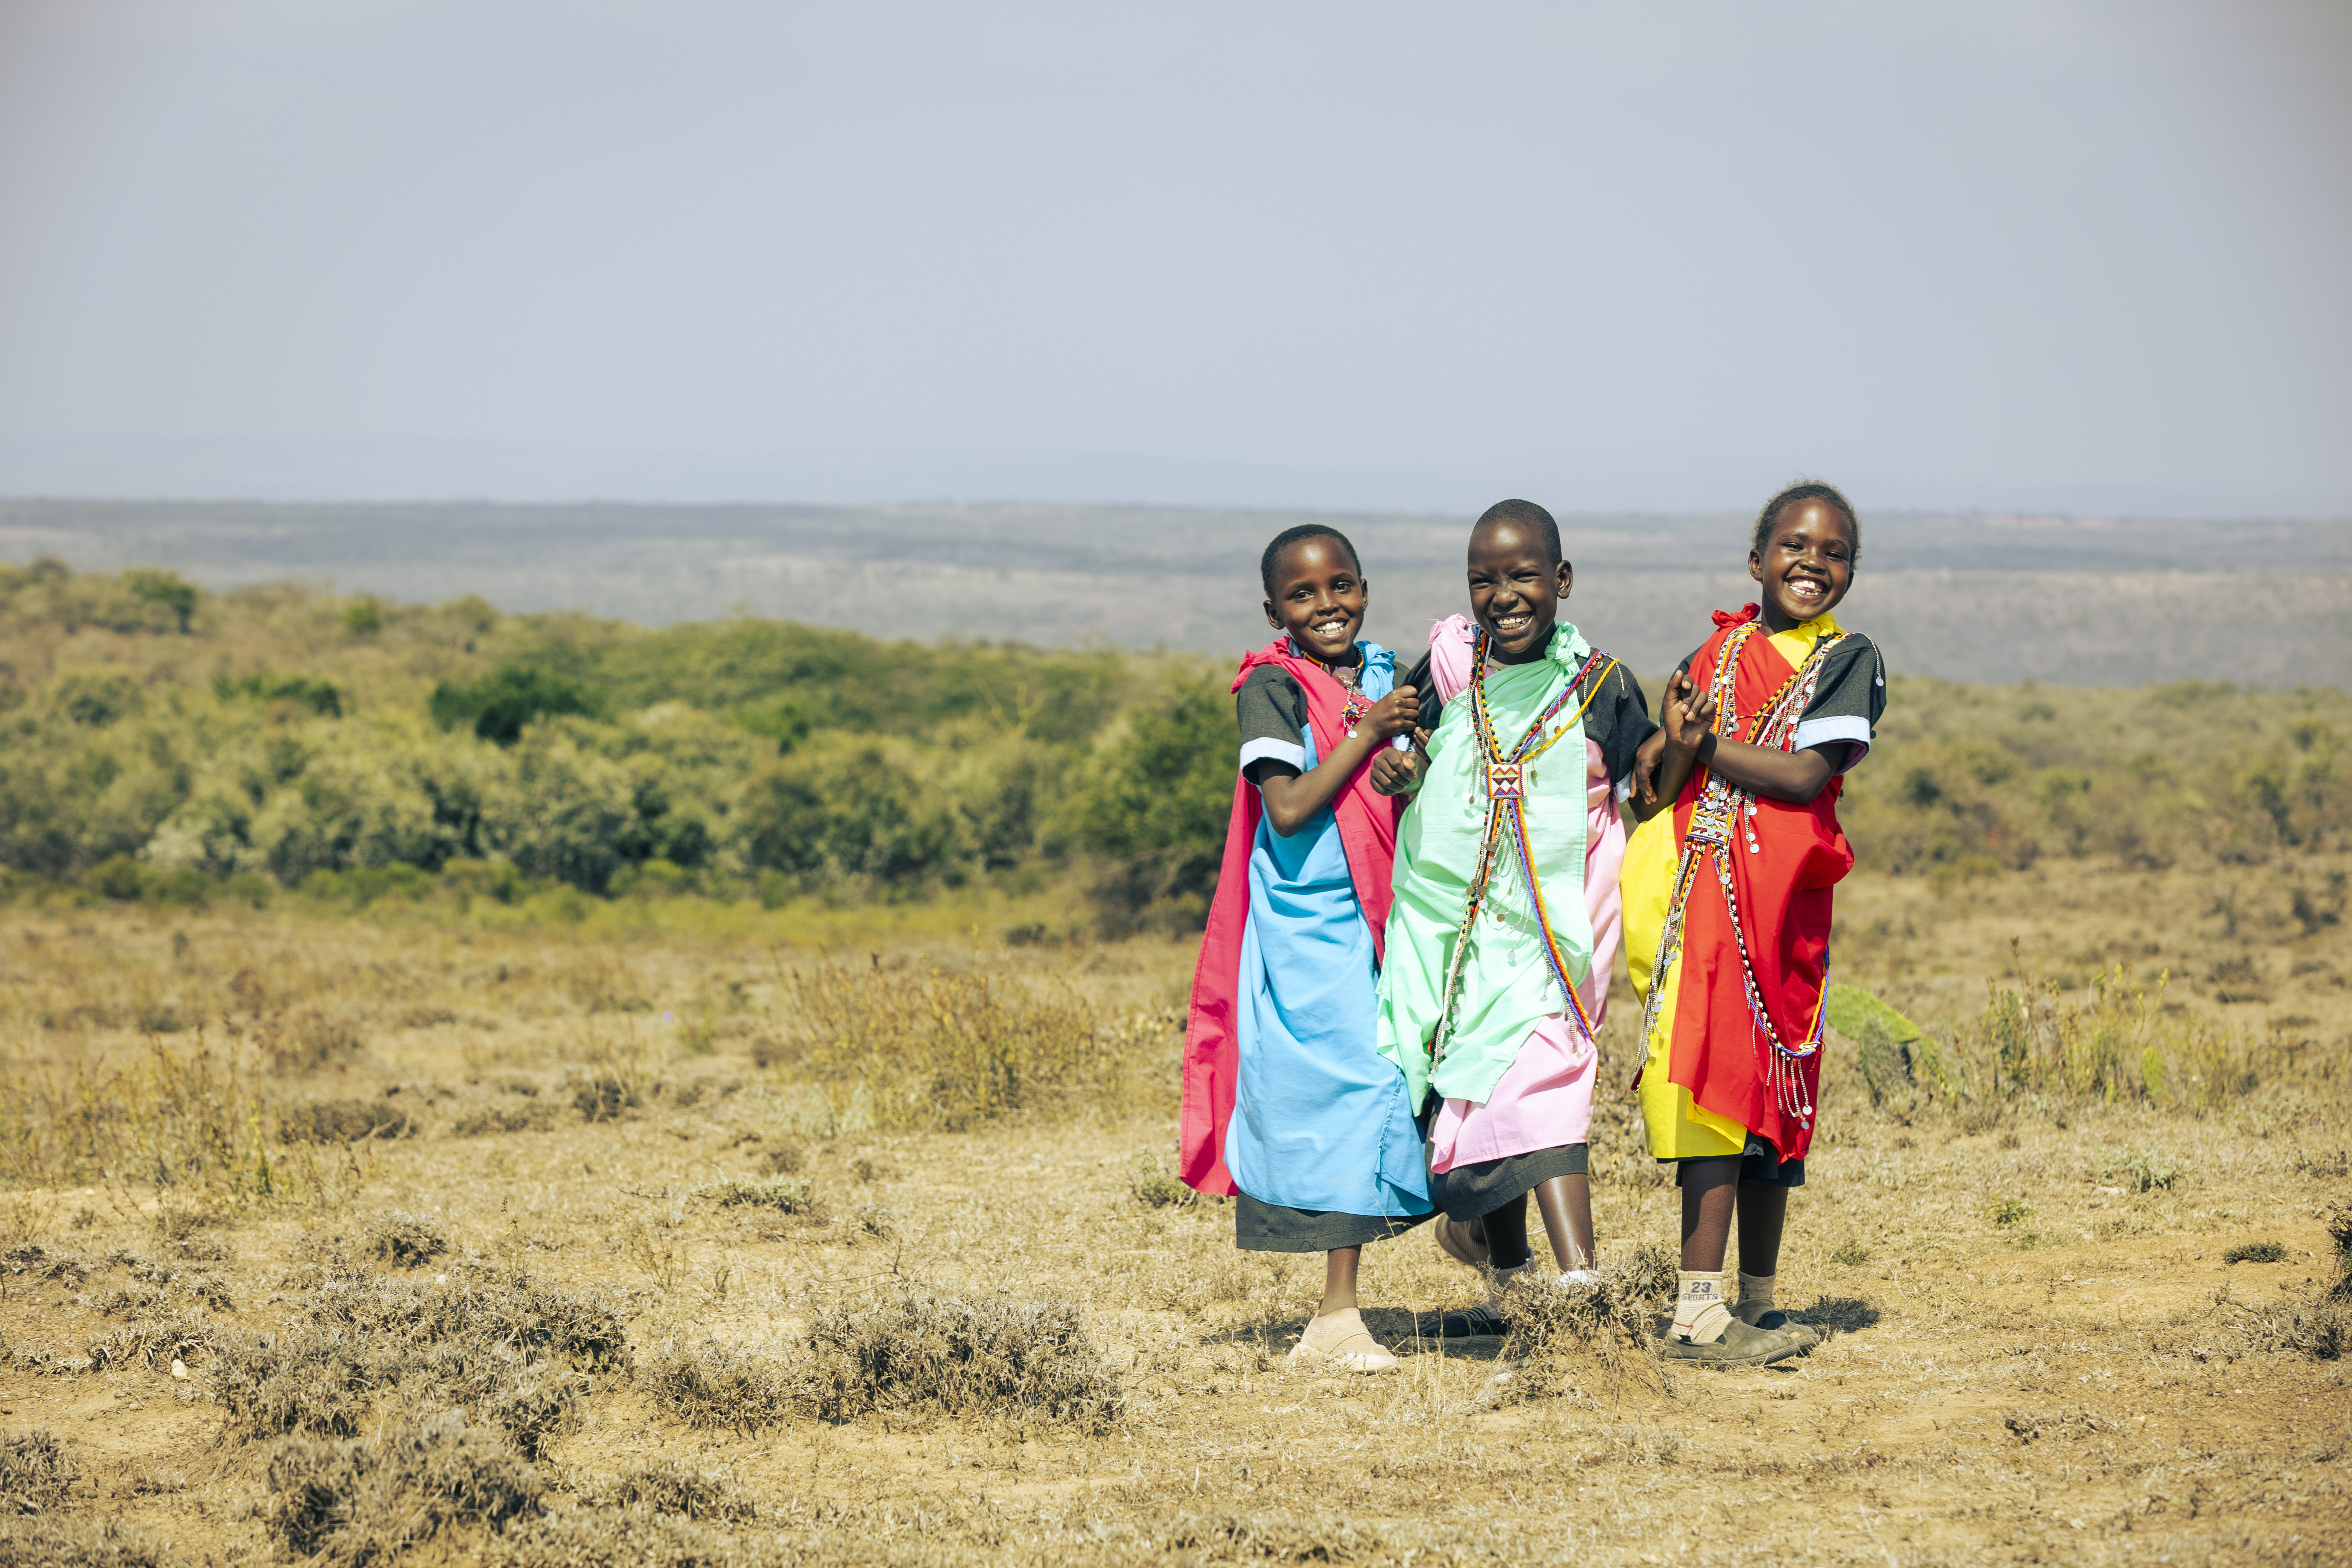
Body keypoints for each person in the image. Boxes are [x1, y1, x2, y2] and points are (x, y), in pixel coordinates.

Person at [1622, 481, 1887, 1369]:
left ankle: (1760, 1305)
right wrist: (1664, 756)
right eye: (1794, 545)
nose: (1813, 561)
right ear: (1756, 559)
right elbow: (1655, 788)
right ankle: (1697, 1316)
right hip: (1703, 895)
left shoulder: (1850, 660)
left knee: (1777, 1089)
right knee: (1717, 1084)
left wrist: (1696, 745)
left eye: (1834, 551)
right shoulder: (1717, 650)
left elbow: (1806, 777)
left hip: (1785, 902)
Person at [1373, 500, 1655, 1320]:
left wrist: (1671, 752)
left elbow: (1647, 782)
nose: (1505, 594)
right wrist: (1404, 767)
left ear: (1561, 580)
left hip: (1559, 928)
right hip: (1464, 929)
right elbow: (1412, 751)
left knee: (1547, 1078)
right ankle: (1508, 1276)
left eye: (1524, 575)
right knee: (1482, 1083)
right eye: (1484, 580)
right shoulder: (1450, 671)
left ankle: (1580, 1287)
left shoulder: (1599, 683)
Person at [1179, 523, 1434, 1373]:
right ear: (1274, 610)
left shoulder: (1377, 673)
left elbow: (1390, 779)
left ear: (1364, 587)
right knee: (1351, 1095)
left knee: (1407, 1078)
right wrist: (1370, 737)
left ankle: (1479, 1241)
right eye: (1304, 595)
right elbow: (1288, 809)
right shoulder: (1272, 690)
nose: (1328, 607)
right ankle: (1335, 1319)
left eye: (1342, 587)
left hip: (1386, 913)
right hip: (1309, 925)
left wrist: (1405, 761)